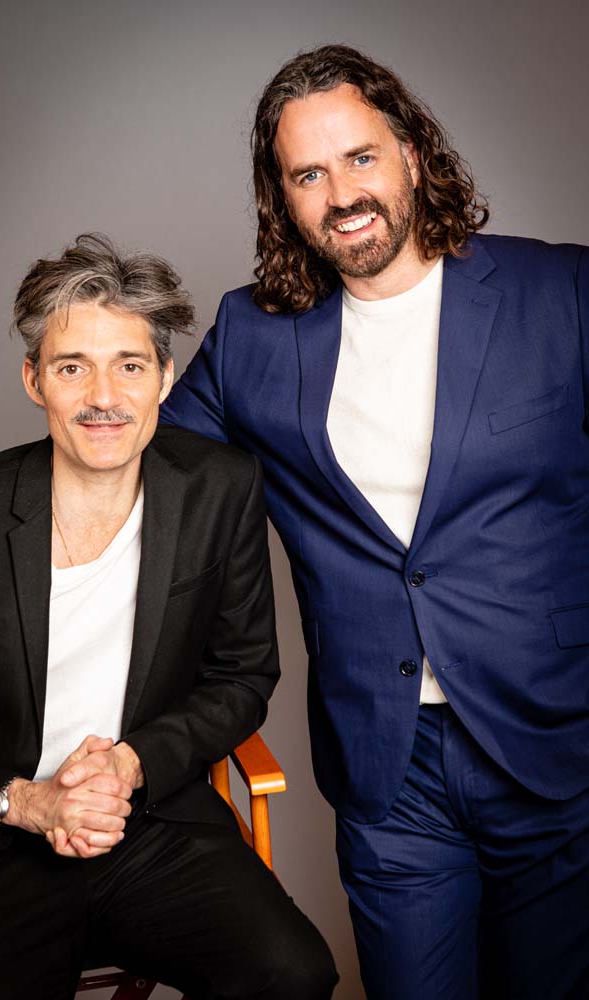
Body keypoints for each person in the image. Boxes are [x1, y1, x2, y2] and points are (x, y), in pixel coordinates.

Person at [160, 44, 589, 1000]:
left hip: (556, 745)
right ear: (281, 197)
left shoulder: (561, 292)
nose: (341, 193)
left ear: (411, 153)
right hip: (388, 765)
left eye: (359, 157)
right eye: (307, 174)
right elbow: (142, 468)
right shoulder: (252, 335)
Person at [0, 233, 338, 1000]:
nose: (104, 397)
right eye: (72, 367)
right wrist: (26, 802)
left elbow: (243, 675)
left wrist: (131, 764)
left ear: (164, 378)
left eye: (130, 366)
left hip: (150, 823)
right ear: (33, 379)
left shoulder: (220, 489)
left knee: (293, 975)